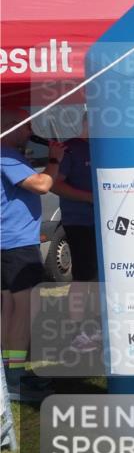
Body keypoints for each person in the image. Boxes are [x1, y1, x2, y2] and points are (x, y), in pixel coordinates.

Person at [2, 110, 65, 400]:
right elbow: (41, 185)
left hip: (9, 243)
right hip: (16, 244)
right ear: (9, 127)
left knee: (9, 309)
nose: (30, 131)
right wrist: (54, 160)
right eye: (26, 125)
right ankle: (14, 379)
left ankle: (9, 373)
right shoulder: (5, 154)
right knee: (22, 311)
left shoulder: (10, 154)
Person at [51, 117, 101, 353]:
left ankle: (98, 328)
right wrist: (88, 197)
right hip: (80, 222)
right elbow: (54, 184)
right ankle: (78, 333)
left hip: (105, 223)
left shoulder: (103, 147)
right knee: (83, 277)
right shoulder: (71, 148)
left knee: (99, 277)